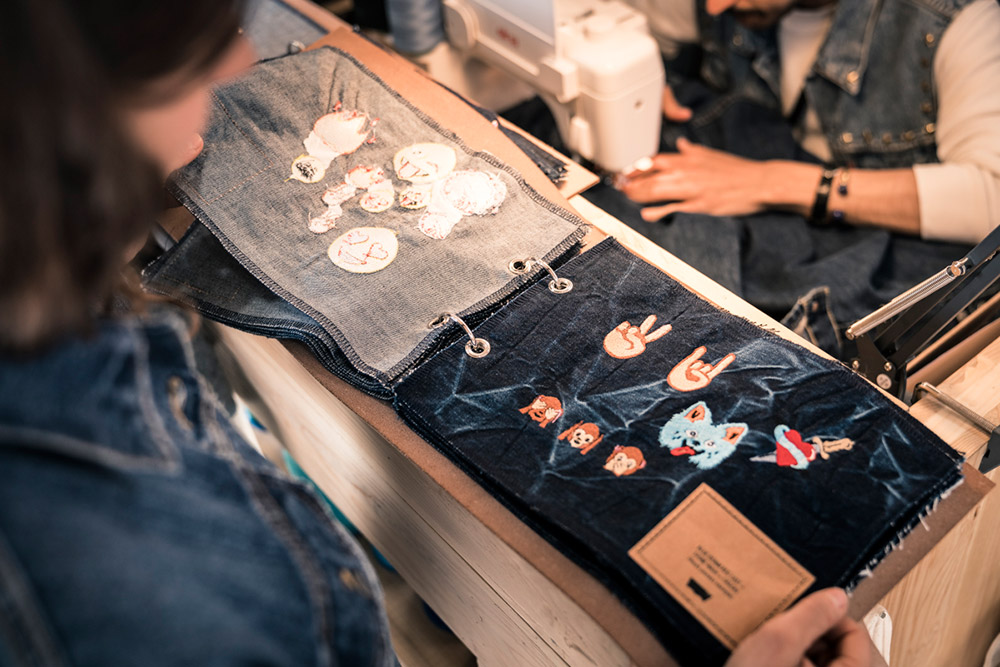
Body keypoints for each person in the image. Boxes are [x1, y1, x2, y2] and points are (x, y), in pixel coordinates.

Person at [0, 1, 877, 665]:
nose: (236, 59)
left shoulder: (95, 366)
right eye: (192, 49)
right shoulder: (131, 582)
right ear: (62, 102)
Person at [610, 0, 1000, 354]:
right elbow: (611, 19)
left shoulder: (955, 22)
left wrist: (773, 183)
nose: (714, 7)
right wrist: (636, 66)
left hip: (877, 255)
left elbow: (991, 196)